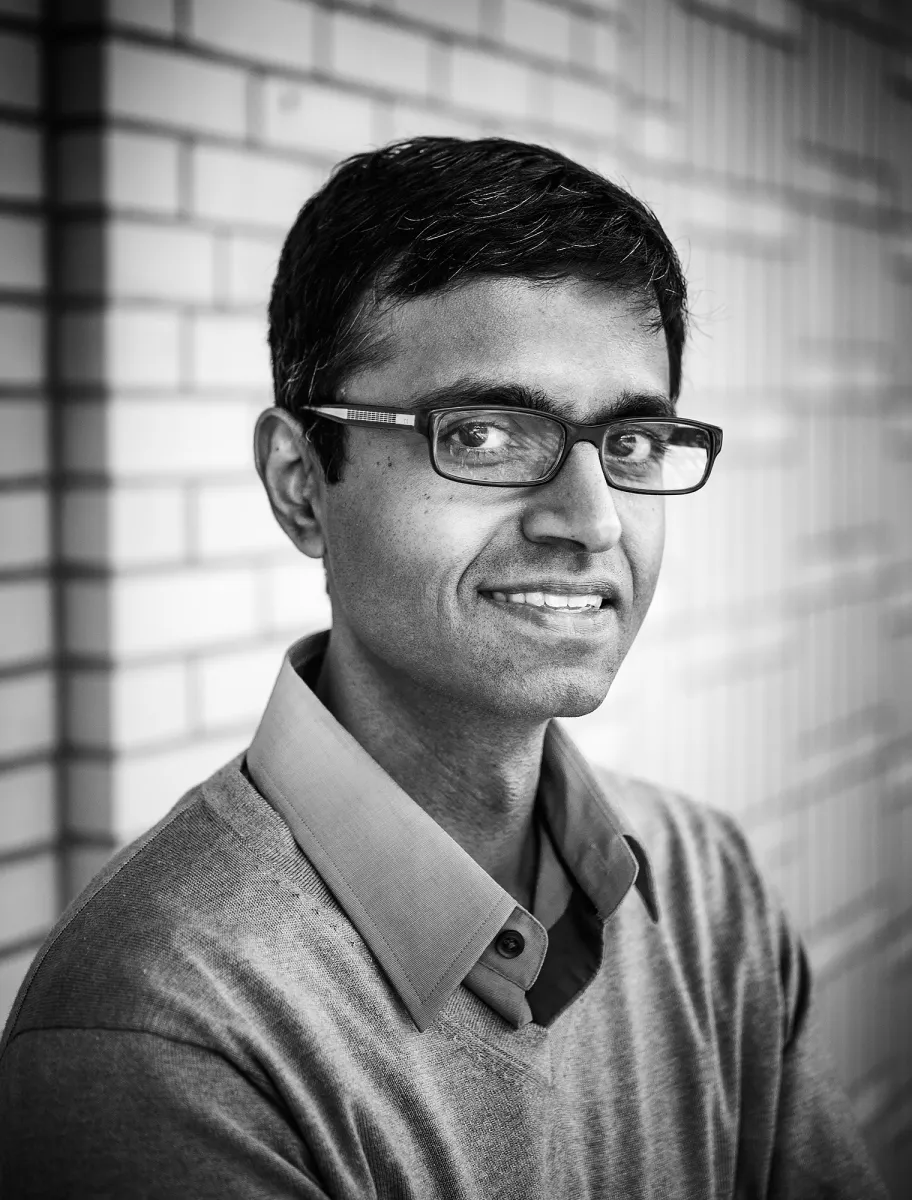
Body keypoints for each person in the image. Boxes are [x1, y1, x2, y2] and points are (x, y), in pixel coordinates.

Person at [0, 138, 888, 1199]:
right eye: (485, 435)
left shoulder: (707, 887)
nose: (593, 520)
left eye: (632, 443)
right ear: (299, 482)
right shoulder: (163, 1029)